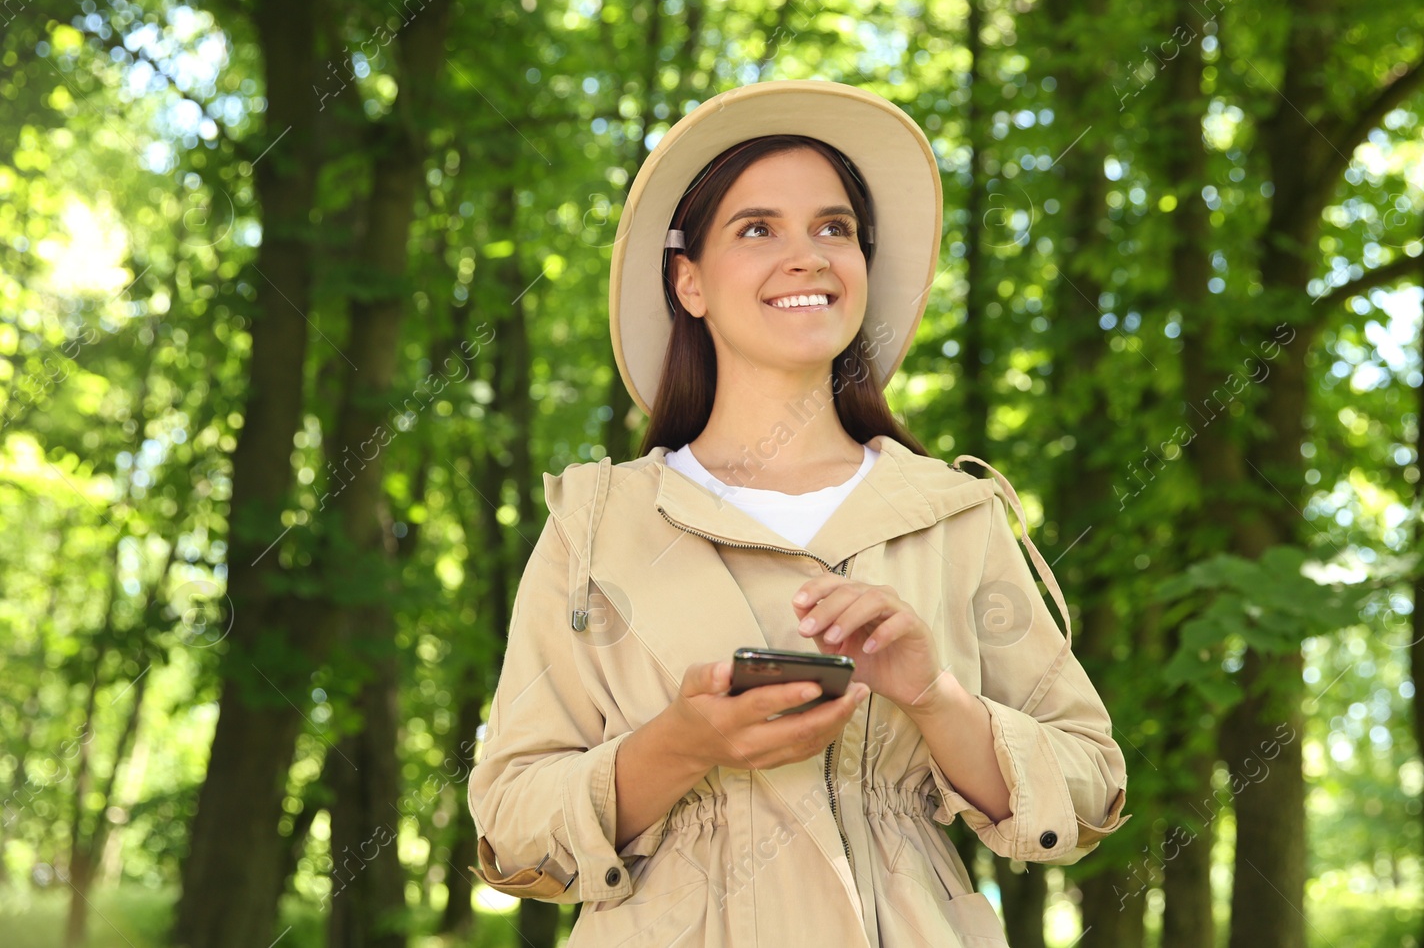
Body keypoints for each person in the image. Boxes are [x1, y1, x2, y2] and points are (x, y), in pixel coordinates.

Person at [467, 80, 1130, 947]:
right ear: (689, 282)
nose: (809, 255)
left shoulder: (953, 514)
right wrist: (681, 743)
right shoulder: (596, 521)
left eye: (835, 228)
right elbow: (511, 821)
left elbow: (1088, 785)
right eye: (757, 228)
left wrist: (935, 697)